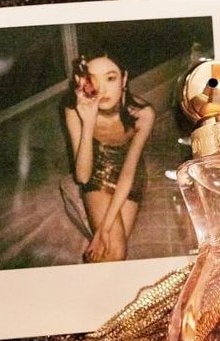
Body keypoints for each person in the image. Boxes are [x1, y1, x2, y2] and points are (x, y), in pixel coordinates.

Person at [64, 49, 155, 263]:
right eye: (93, 79)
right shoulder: (73, 110)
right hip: (97, 168)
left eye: (111, 78)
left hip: (130, 173)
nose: (102, 89)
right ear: (83, 82)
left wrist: (103, 229)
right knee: (115, 252)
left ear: (124, 78)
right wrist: (88, 123)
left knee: (112, 249)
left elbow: (129, 171)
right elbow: (82, 177)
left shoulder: (144, 114)